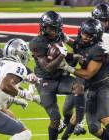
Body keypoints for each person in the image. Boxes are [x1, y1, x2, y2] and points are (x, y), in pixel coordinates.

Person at [59, 18, 109, 140]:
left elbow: (88, 74)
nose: (84, 37)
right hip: (90, 87)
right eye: (83, 33)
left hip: (103, 86)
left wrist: (67, 68)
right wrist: (66, 39)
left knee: (103, 116)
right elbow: (77, 45)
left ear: (96, 36)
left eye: (88, 35)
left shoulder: (99, 50)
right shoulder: (83, 43)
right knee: (93, 128)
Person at [29, 10, 85, 140]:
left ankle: (79, 122)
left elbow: (76, 45)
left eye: (56, 28)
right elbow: (47, 67)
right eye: (50, 28)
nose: (53, 31)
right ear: (43, 27)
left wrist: (78, 53)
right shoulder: (36, 43)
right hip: (45, 81)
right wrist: (63, 55)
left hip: (60, 77)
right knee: (55, 119)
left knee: (79, 87)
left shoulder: (60, 36)